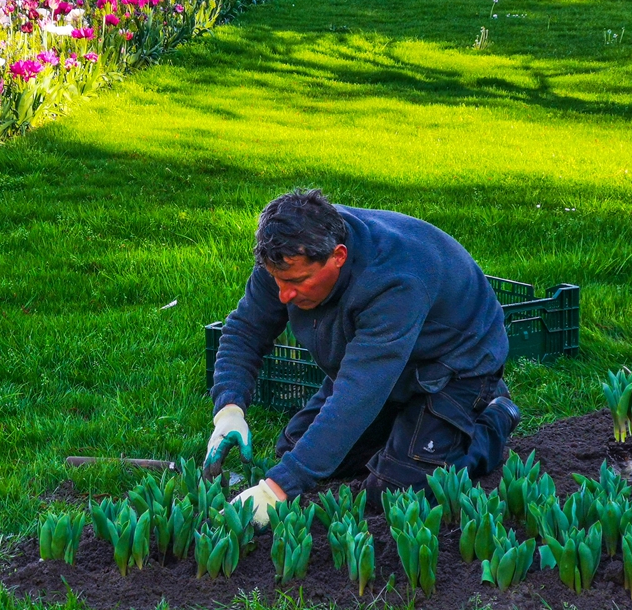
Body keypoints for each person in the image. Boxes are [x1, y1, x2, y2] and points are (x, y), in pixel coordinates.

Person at [204, 189, 521, 525]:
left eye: (297, 282)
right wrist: (229, 409)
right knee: (294, 450)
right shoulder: (288, 253)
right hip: (380, 363)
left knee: (396, 492)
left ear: (338, 256)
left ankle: (494, 416)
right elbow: (246, 330)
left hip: (454, 366)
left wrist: (277, 491)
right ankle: (407, 427)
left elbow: (357, 394)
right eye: (278, 281)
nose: (285, 295)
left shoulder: (394, 281)